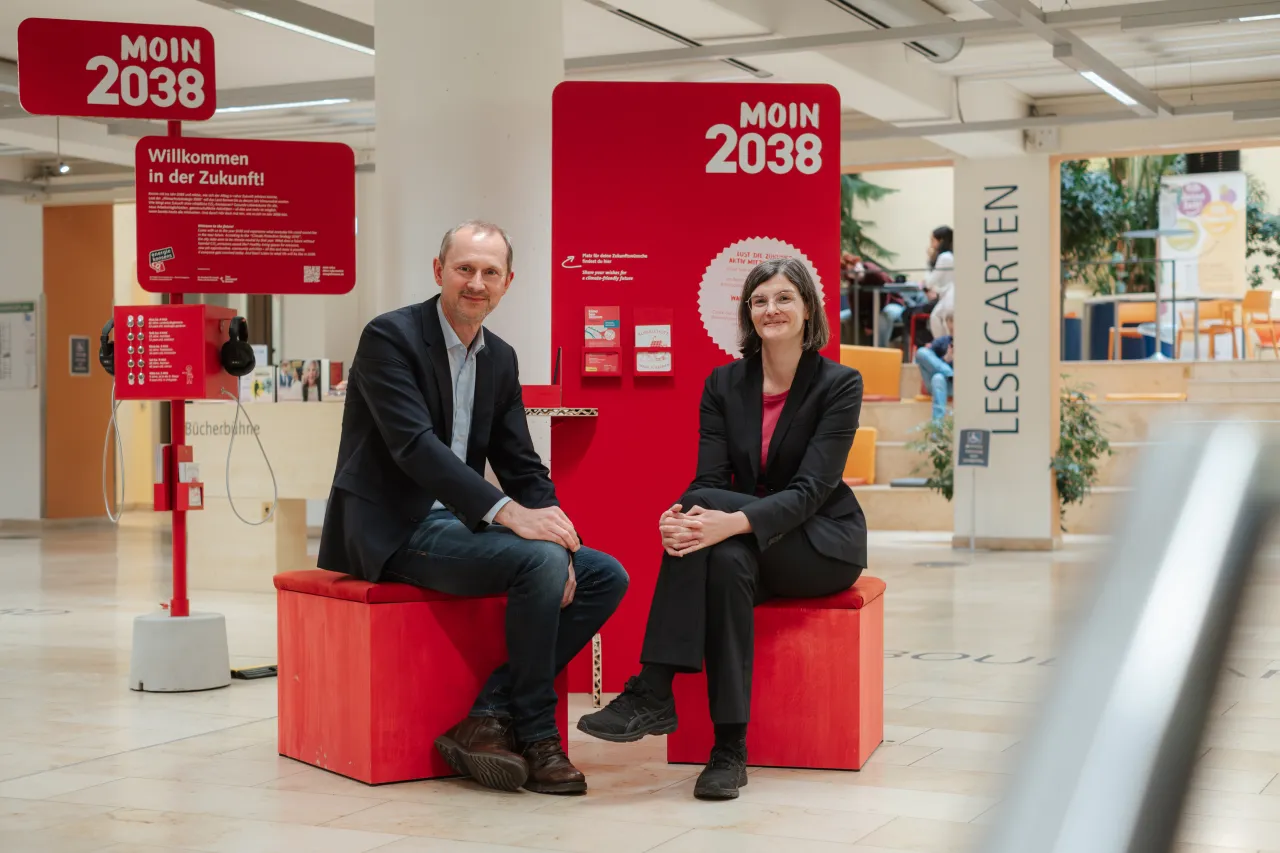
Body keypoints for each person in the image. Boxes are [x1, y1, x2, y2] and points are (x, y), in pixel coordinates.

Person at [318, 220, 628, 796]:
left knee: (603, 574)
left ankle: (487, 716)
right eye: (464, 269)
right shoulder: (389, 337)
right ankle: (537, 736)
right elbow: (414, 447)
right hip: (395, 527)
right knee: (536, 561)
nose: (476, 283)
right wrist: (511, 516)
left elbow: (522, 463)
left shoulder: (500, 358)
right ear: (439, 272)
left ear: (509, 282)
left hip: (459, 526)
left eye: (490, 272)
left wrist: (561, 536)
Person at [577, 257, 867, 801]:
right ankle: (729, 751)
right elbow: (709, 479)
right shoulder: (724, 383)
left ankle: (653, 686)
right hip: (751, 543)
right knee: (727, 561)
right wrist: (680, 521)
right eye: (759, 301)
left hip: (820, 544)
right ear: (748, 313)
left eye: (784, 298)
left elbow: (810, 491)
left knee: (708, 516)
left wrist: (722, 520)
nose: (771, 309)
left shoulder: (839, 384)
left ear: (808, 308)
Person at [899, 226, 955, 350]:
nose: (931, 244)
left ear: (940, 241)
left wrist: (929, 261)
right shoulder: (951, 256)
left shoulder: (944, 257)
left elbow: (929, 282)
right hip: (943, 296)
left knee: (911, 314)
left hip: (945, 298)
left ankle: (933, 347)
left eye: (932, 240)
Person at [915, 333, 953, 423]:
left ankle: (937, 427)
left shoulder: (970, 345)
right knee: (921, 352)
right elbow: (927, 358)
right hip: (937, 385)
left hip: (959, 386)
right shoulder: (943, 341)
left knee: (937, 377)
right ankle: (950, 373)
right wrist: (945, 359)